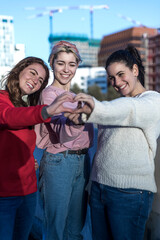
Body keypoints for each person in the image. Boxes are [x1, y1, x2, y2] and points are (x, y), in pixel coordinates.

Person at [64, 45, 160, 240]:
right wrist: (80, 119)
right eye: (112, 77)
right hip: (100, 189)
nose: (117, 82)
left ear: (135, 70)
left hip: (130, 194)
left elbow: (130, 109)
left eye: (121, 74)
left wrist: (94, 107)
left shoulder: (153, 101)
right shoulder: (116, 104)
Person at [0, 56, 74, 240]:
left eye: (41, 80)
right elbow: (9, 117)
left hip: (28, 193)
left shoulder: (25, 107)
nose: (36, 81)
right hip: (3, 196)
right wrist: (47, 111)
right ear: (19, 71)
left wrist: (26, 157)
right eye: (33, 73)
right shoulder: (2, 100)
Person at [35, 41, 94, 240]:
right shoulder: (49, 95)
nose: (66, 69)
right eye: (61, 63)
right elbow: (62, 132)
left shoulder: (74, 96)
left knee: (75, 230)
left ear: (77, 65)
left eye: (72, 64)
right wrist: (80, 119)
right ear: (52, 63)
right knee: (55, 230)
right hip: (59, 162)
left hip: (81, 162)